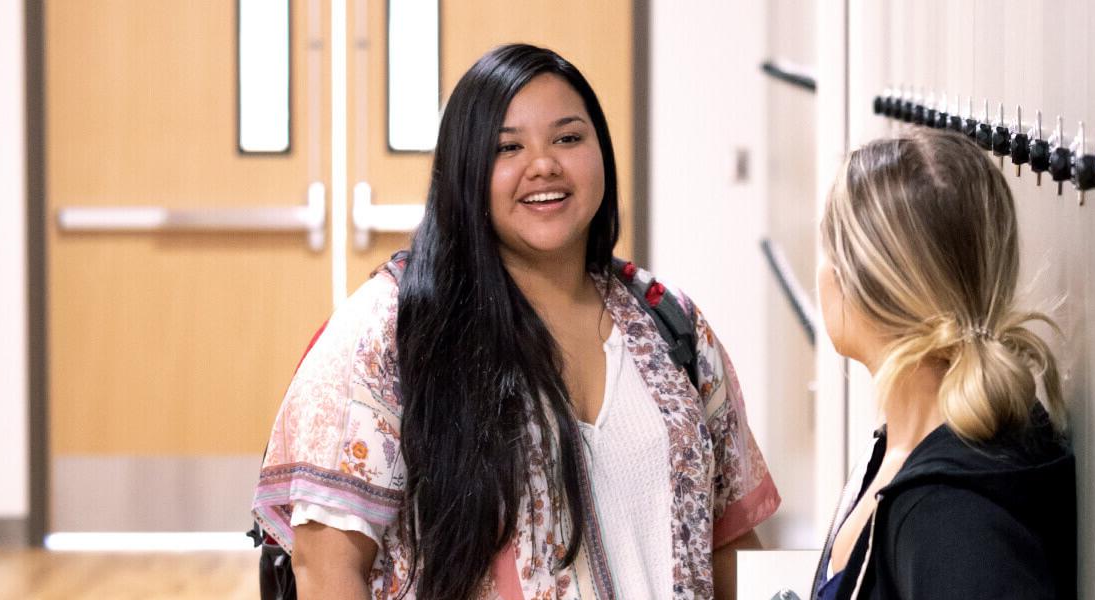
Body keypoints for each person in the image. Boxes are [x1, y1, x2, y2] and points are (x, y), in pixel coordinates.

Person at [252, 43, 779, 600]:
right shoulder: (392, 331)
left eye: (568, 138)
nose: (544, 164)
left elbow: (729, 540)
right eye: (508, 147)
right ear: (464, 172)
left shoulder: (669, 322)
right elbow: (326, 566)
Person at [810, 130, 1076, 599]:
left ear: (870, 284)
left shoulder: (952, 515)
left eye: (830, 250)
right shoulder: (905, 454)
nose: (822, 271)